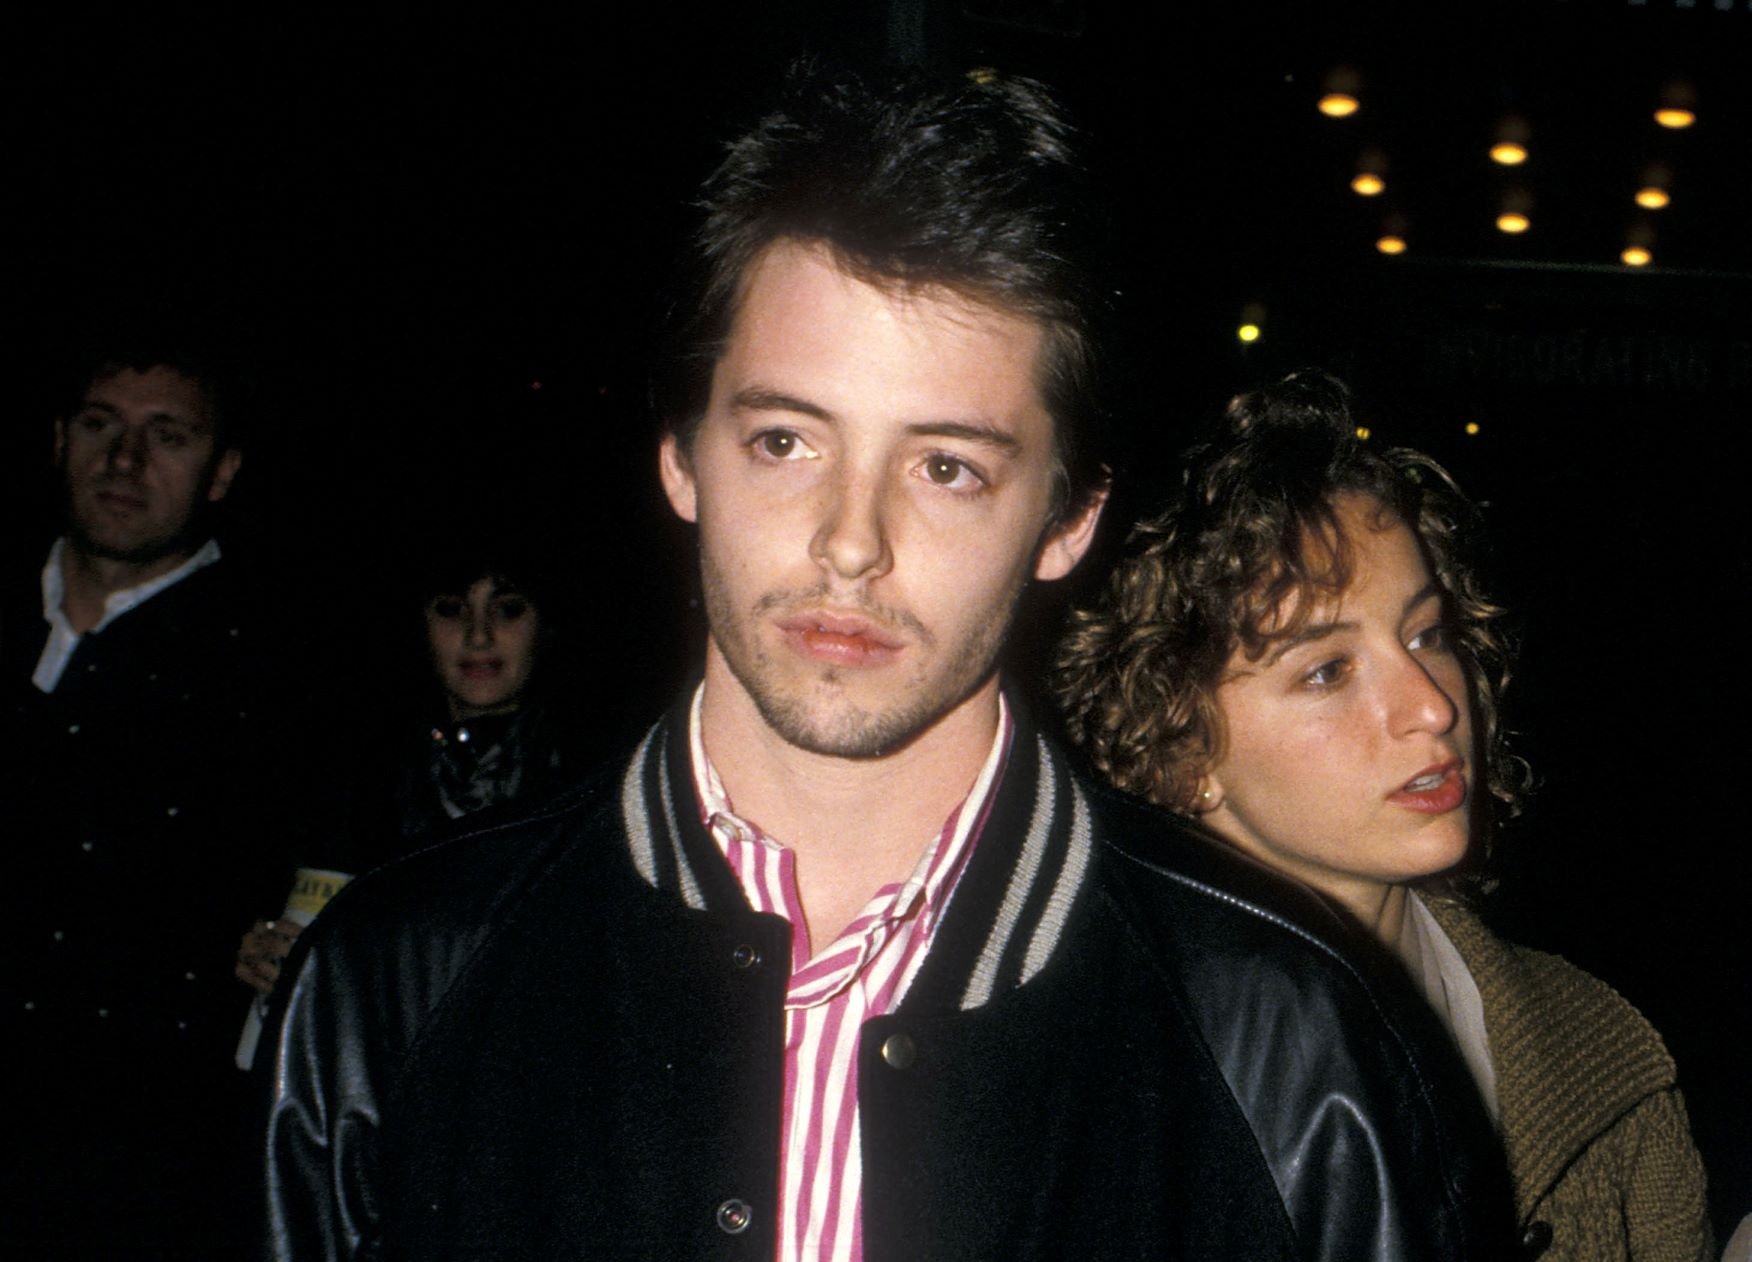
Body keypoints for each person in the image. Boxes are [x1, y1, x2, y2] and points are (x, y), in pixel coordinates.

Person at [262, 66, 1516, 1259]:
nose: (850, 543)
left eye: (947, 467)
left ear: (1068, 519)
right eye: (786, 442)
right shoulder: (395, 985)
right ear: (683, 455)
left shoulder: (1296, 1048)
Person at [1055, 371, 1712, 1261]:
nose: (1433, 707)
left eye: (1428, 634)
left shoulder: (1599, 1053)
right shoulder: (1097, 1091)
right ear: (1178, 747)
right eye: (1327, 671)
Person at [0, 347, 289, 1256]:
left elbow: (110, 877)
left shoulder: (271, 668)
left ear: (222, 471)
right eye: (103, 425)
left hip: (119, 1182)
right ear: (60, 439)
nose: (125, 460)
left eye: (168, 436)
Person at [235, 543, 564, 1000]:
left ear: (546, 623)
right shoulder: (354, 769)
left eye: (507, 610)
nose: (479, 636)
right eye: (452, 610)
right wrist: (259, 951)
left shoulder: (594, 776)